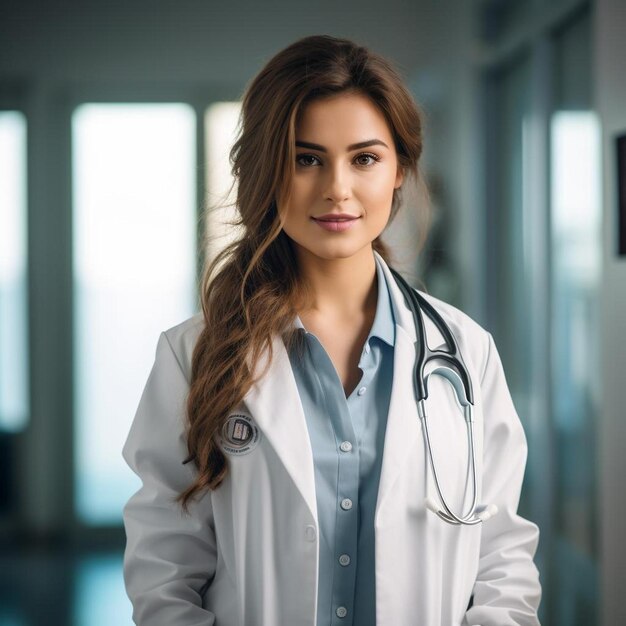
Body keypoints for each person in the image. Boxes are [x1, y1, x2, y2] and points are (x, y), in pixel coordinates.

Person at [122, 34, 542, 626]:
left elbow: (501, 555)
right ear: (268, 170)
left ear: (399, 169)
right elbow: (164, 563)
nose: (337, 189)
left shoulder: (465, 352)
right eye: (306, 158)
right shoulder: (193, 355)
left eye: (364, 158)